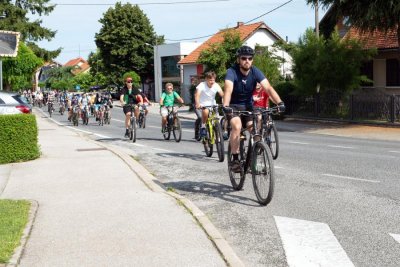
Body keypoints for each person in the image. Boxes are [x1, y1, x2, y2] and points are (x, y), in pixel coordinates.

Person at [222, 45, 285, 171]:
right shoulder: (232, 71)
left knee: (256, 123)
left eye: (250, 58)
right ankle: (235, 159)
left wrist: (279, 102)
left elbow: (268, 88)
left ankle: (254, 154)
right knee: (237, 126)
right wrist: (226, 106)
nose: (247, 61)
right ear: (238, 60)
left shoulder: (255, 71)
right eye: (244, 58)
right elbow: (228, 89)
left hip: (249, 106)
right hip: (234, 106)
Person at [194, 71, 224, 138]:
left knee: (217, 118)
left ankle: (219, 132)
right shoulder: (202, 85)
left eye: (213, 80)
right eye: (210, 80)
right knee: (205, 112)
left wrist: (226, 102)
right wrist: (198, 104)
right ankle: (203, 126)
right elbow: (197, 95)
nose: (212, 82)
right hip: (203, 104)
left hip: (213, 105)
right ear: (206, 79)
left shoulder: (216, 85)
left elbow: (222, 94)